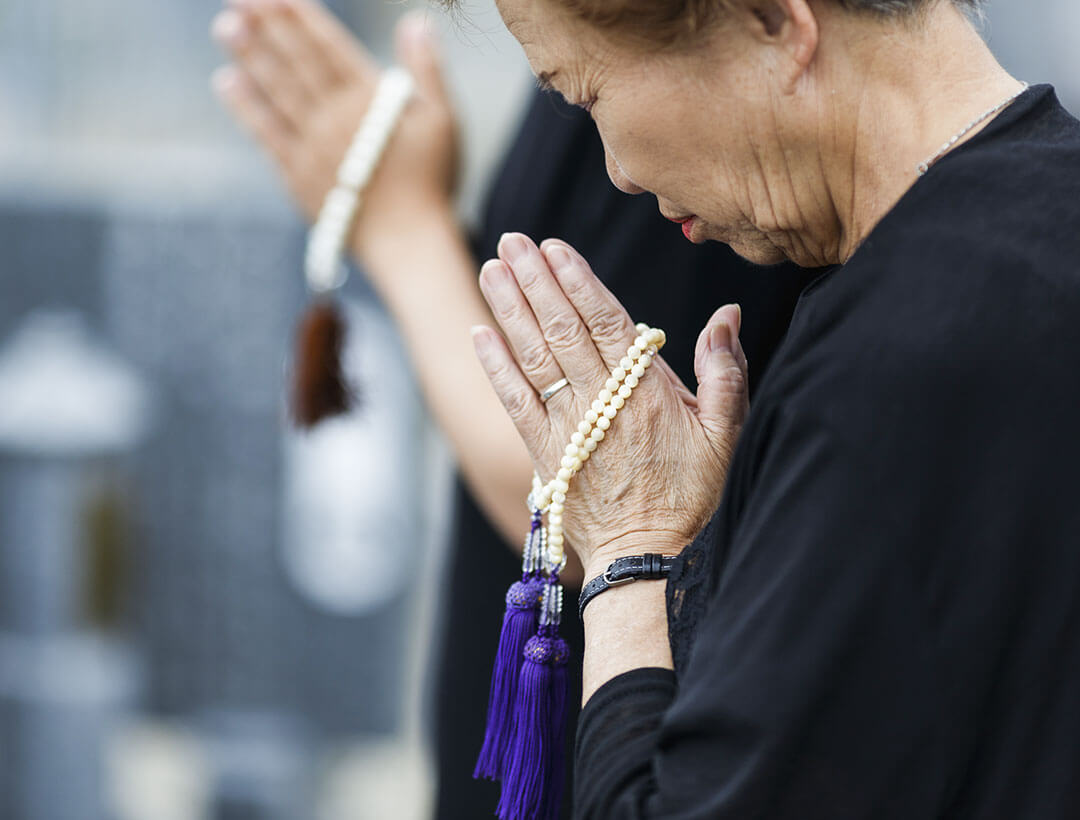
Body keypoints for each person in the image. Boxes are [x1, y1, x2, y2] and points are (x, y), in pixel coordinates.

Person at [465, 0, 1080, 816]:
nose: (616, 170)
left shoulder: (898, 366)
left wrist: (634, 550)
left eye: (585, 94)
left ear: (771, 21)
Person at [209, 1, 817, 816]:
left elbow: (591, 486)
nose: (622, 169)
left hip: (623, 737)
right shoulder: (631, 85)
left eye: (585, 89)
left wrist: (402, 228)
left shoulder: (683, 116)